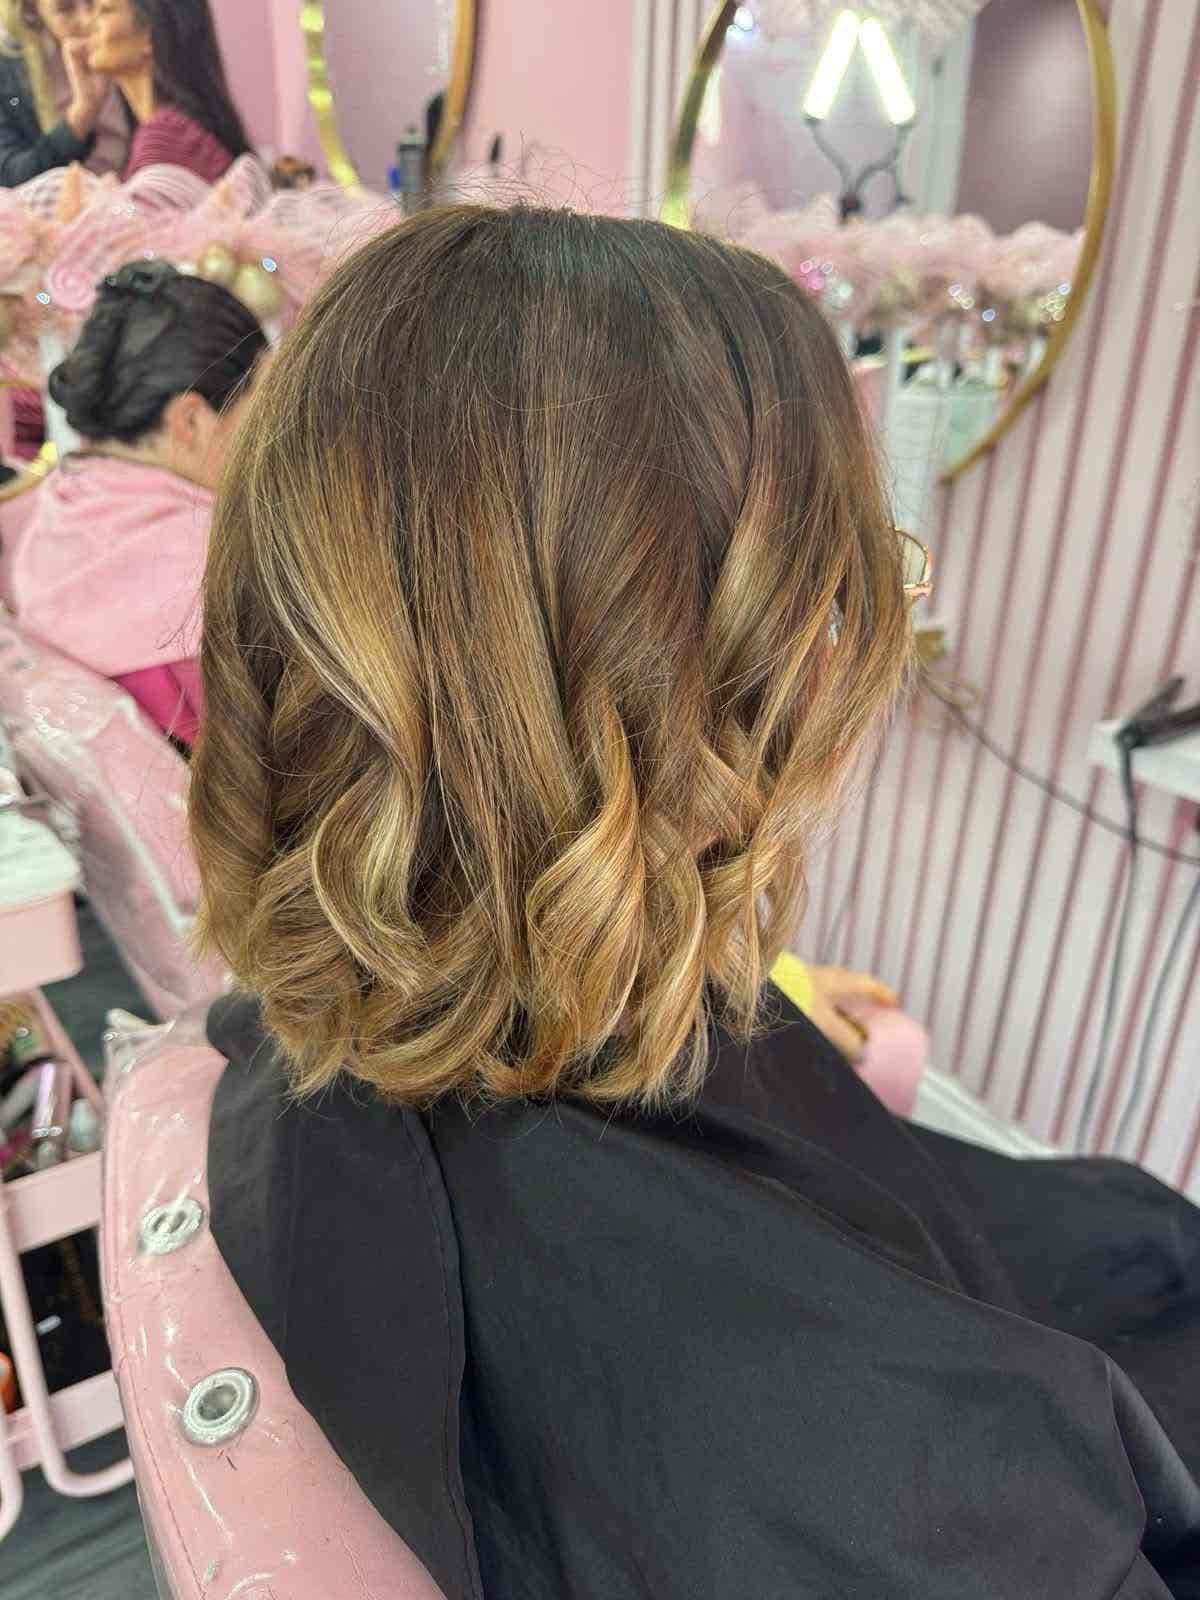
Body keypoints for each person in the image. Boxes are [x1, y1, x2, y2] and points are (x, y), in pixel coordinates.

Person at [193, 207, 1200, 1599]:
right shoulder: (869, 1452)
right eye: (843, 586)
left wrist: (770, 1006)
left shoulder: (293, 1045)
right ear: (698, 684)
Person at [11, 259, 265, 745]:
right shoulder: (216, 571)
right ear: (191, 421)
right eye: (265, 402)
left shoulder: (50, 515)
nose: (274, 431)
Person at [87, 0, 249, 183]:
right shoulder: (170, 129)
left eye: (105, 11)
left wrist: (99, 199)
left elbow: (139, 204)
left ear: (149, 34)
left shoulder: (165, 136)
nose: (87, 23)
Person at [0, 0, 128, 186]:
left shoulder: (133, 44)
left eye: (94, 3)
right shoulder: (9, 72)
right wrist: (81, 115)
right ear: (31, 10)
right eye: (65, 9)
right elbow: (10, 175)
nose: (87, 19)